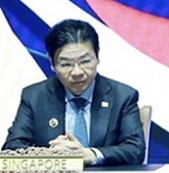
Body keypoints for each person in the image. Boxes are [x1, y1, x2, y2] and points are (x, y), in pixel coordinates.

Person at [3, 19, 144, 165]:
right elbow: (12, 148)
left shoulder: (123, 96)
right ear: (52, 64)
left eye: (85, 61)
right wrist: (51, 155)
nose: (77, 72)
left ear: (97, 57)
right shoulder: (34, 96)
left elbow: (135, 150)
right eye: (66, 64)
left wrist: (92, 155)